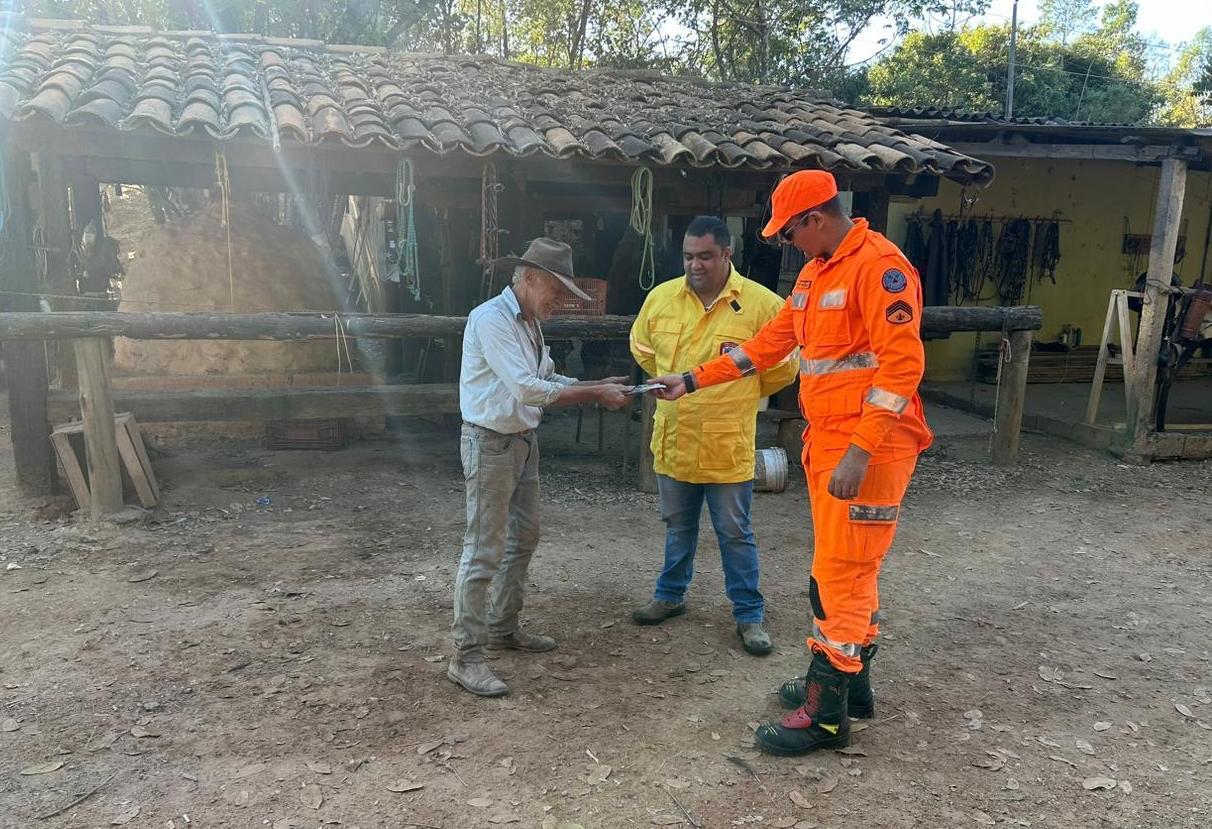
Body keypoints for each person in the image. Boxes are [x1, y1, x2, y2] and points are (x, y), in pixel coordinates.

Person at [650, 171, 932, 755]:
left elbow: (901, 368)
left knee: (840, 578)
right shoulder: (815, 273)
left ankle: (825, 715)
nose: (787, 243)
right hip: (830, 442)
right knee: (849, 571)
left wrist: (859, 449)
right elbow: (765, 347)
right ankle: (850, 689)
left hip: (869, 450)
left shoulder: (881, 268)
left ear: (816, 220)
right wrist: (691, 379)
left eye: (789, 232)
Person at [450, 238, 630, 697]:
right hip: (491, 443)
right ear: (529, 279)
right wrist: (593, 393)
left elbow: (547, 377)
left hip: (520, 443)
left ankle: (503, 627)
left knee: (523, 537)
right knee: (484, 548)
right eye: (556, 289)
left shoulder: (530, 324)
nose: (560, 300)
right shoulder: (491, 320)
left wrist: (593, 383)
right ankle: (465, 657)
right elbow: (529, 389)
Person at [629, 216, 797, 655]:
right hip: (676, 436)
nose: (695, 265)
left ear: (727, 254)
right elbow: (642, 347)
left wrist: (745, 391)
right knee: (677, 526)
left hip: (726, 443)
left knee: (735, 532)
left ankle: (749, 616)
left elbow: (783, 365)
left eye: (705, 256)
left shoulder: (762, 305)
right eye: (688, 256)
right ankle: (669, 596)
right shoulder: (662, 298)